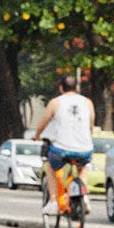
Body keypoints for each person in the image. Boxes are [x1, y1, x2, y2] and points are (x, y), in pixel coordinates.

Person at [34, 75, 95, 215]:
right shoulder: (88, 102)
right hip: (85, 149)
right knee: (83, 167)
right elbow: (91, 126)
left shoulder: (55, 102)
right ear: (77, 87)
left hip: (61, 149)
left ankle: (53, 201)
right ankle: (83, 196)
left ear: (61, 88)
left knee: (50, 165)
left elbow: (44, 121)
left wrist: (37, 135)